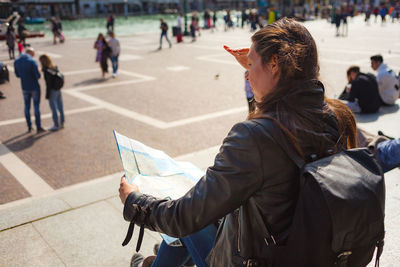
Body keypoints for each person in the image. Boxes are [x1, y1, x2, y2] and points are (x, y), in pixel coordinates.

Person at [119, 18, 353, 266]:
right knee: (206, 205)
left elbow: (184, 218)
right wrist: (258, 66)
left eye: (250, 65)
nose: (247, 75)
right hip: (310, 248)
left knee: (191, 212)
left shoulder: (254, 138)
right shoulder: (336, 116)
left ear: (275, 64)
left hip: (268, 256)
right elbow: (278, 118)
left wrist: (135, 202)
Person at [14, 47, 45, 133]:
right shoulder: (32, 61)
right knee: (36, 106)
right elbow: (38, 76)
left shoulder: (17, 61)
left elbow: (17, 75)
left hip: (24, 86)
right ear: (31, 53)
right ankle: (38, 126)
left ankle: (29, 126)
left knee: (27, 106)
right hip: (34, 86)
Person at [39, 54, 65, 131]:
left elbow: (48, 84)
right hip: (58, 89)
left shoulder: (46, 71)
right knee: (60, 107)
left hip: (52, 90)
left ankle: (56, 124)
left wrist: (47, 95)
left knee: (54, 108)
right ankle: (62, 122)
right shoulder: (54, 67)